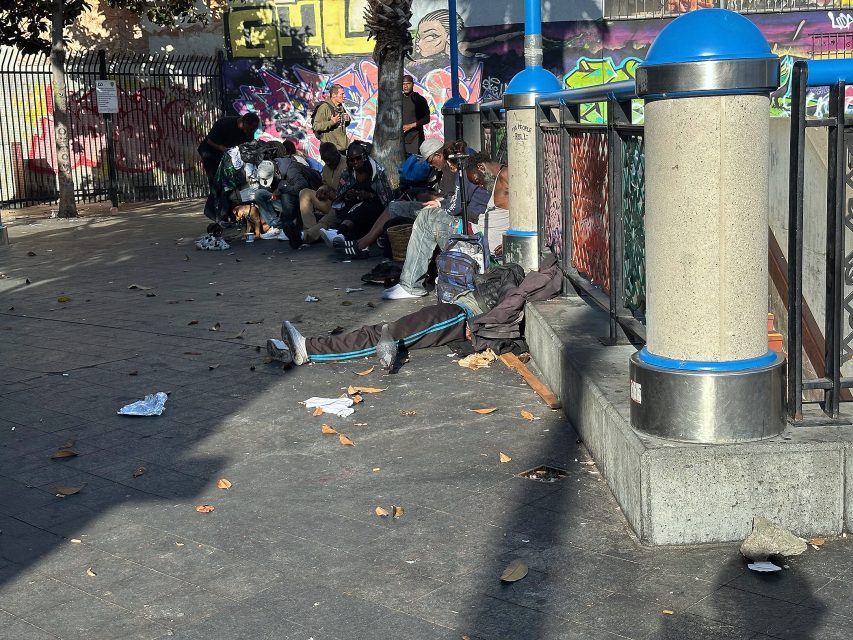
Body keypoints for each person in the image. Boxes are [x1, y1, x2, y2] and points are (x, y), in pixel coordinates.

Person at [264, 257, 561, 366]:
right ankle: (308, 348)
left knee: (387, 333)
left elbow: (510, 308)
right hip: (455, 313)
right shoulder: (524, 279)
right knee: (389, 331)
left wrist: (479, 325)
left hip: (457, 317)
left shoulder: (528, 285)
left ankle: (309, 350)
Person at [382, 148, 492, 300]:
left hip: (473, 230)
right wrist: (440, 204)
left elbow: (457, 206)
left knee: (426, 217)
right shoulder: (483, 170)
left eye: (451, 165)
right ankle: (410, 281)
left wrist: (441, 205)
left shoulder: (466, 170)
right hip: (474, 224)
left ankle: (411, 285)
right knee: (423, 212)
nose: (450, 169)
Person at [339, 138, 446, 255]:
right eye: (351, 160)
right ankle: (355, 240)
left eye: (431, 161)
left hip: (442, 207)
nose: (430, 165)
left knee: (388, 207)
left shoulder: (451, 169)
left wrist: (435, 198)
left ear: (438, 155)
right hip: (436, 204)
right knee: (393, 205)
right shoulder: (347, 173)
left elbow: (451, 199)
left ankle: (361, 245)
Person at [319, 142, 393, 248]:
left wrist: (369, 195)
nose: (355, 162)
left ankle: (339, 233)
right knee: (350, 209)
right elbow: (339, 197)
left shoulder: (378, 172)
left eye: (358, 158)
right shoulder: (347, 173)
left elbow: (387, 201)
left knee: (364, 207)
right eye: (351, 160)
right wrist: (348, 195)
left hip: (376, 209)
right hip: (354, 207)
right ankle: (341, 235)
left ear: (364, 157)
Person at [297, 142, 346, 244]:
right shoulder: (326, 168)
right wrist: (321, 189)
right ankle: (311, 231)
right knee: (304, 193)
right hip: (330, 201)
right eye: (325, 161)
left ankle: (305, 236)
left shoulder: (347, 165)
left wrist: (336, 196)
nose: (328, 163)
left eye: (330, 160)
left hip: (343, 205)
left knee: (327, 220)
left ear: (336, 154)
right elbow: (325, 183)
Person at [465, 152, 510, 256]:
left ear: (481, 167)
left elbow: (528, 212)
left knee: (428, 218)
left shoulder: (505, 175)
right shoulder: (499, 179)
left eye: (478, 181)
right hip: (478, 238)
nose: (480, 186)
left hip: (486, 244)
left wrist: (510, 242)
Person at [198, 113, 260, 186]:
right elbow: (210, 141)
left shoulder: (249, 130)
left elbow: (247, 146)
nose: (251, 131)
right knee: (215, 178)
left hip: (228, 153)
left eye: (254, 129)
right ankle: (216, 196)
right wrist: (224, 149)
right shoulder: (225, 123)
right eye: (251, 129)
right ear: (244, 123)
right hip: (210, 151)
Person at [311, 84, 351, 153]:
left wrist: (347, 120)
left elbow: (343, 125)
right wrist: (331, 122)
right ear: (334, 95)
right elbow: (316, 126)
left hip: (342, 149)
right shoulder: (324, 107)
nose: (344, 96)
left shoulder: (340, 107)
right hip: (331, 151)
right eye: (342, 94)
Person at [402, 75, 431, 155]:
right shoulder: (398, 100)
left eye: (408, 83)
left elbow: (427, 118)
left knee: (414, 162)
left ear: (413, 84)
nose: (405, 86)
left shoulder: (419, 99)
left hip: (415, 138)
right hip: (400, 139)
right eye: (404, 84)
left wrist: (410, 126)